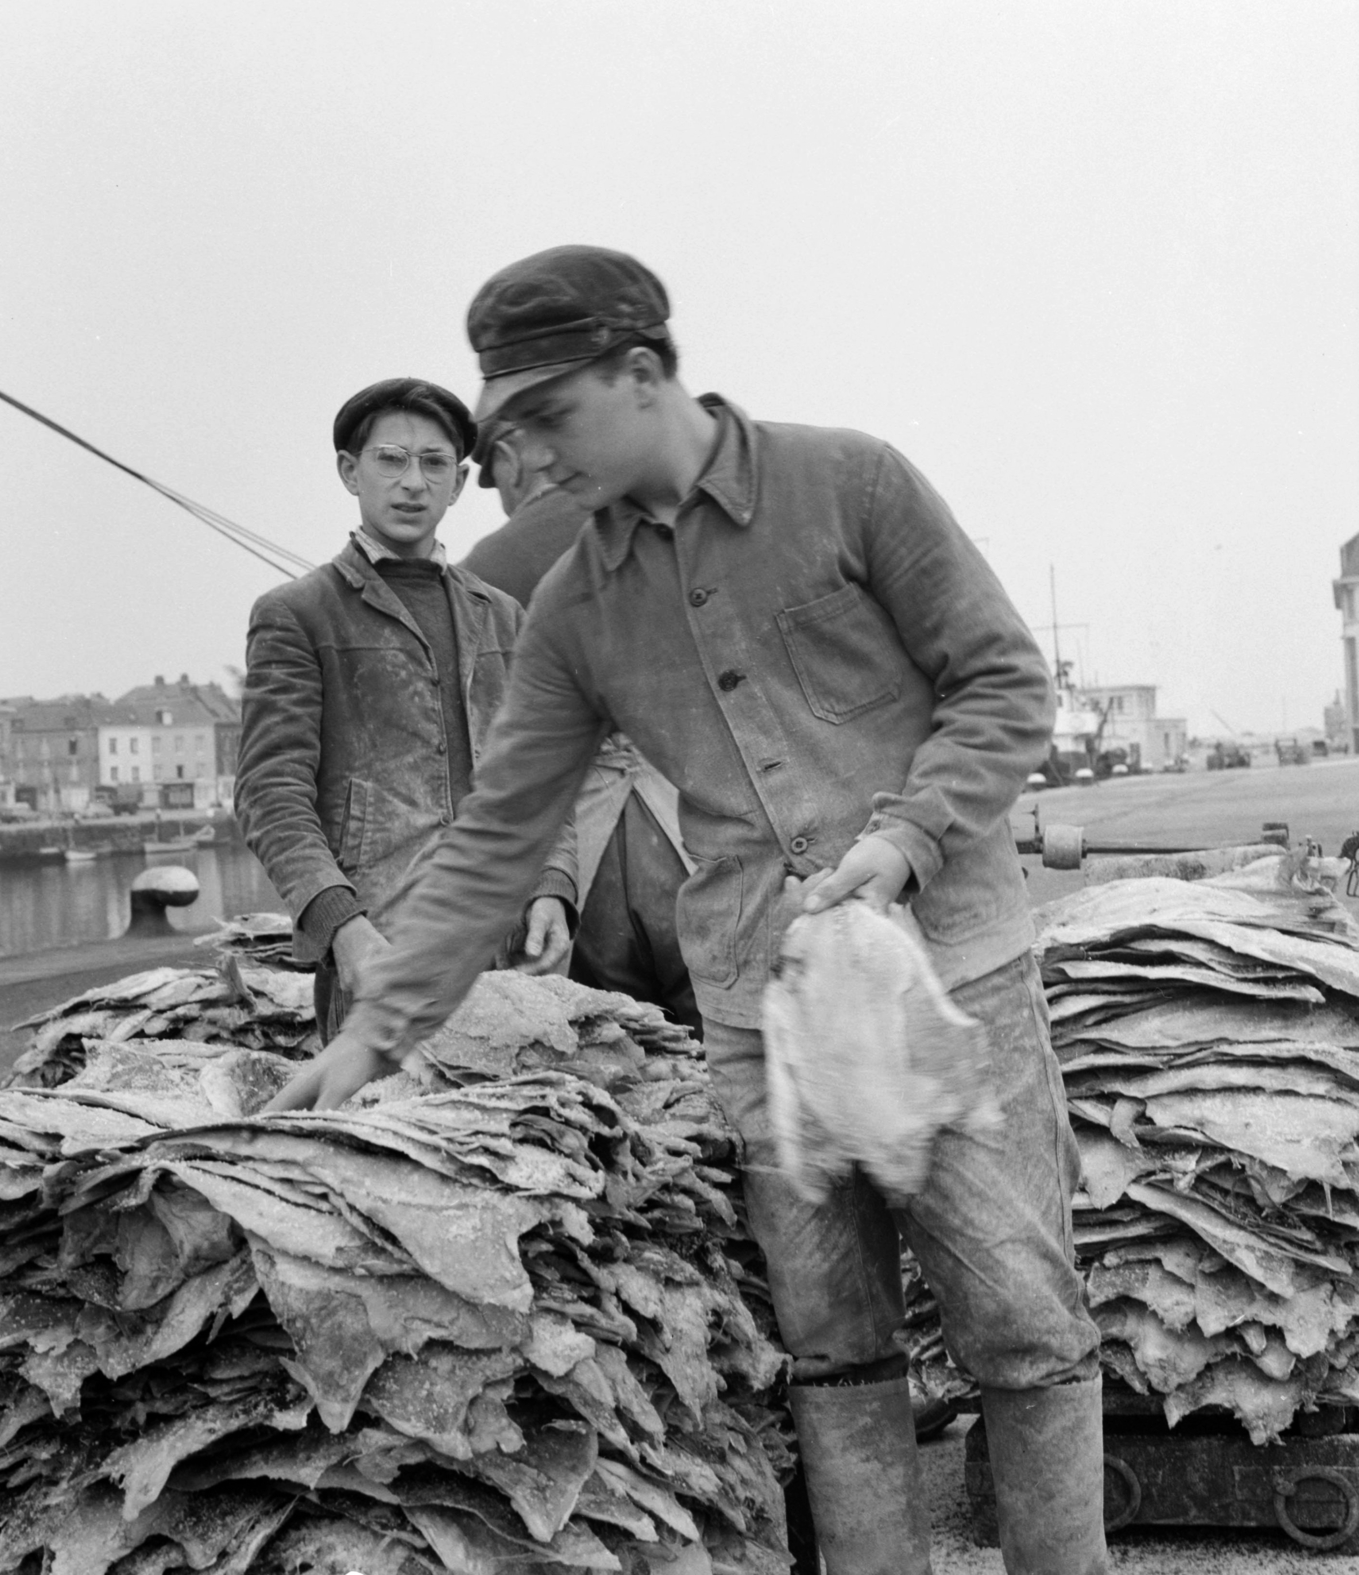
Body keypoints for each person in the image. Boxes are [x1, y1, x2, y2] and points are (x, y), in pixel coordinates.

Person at [269, 251, 1108, 1574]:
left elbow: (1001, 681)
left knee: (1020, 1321)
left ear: (644, 373)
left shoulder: (852, 482)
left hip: (946, 979)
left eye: (551, 418)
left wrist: (904, 838)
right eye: (515, 430)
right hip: (758, 1011)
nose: (529, 456)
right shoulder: (575, 609)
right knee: (832, 1346)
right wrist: (374, 1036)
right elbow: (498, 838)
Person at [234, 376, 576, 1043]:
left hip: (511, 965)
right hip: (379, 963)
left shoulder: (502, 615)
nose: (412, 482)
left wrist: (554, 887)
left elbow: (539, 778)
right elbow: (269, 793)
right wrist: (343, 927)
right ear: (349, 471)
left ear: (457, 482)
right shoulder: (297, 614)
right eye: (390, 459)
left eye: (434, 463)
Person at [462, 423, 701, 1034]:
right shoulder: (657, 525)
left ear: (512, 461)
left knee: (616, 1048)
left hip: (582, 847)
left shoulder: (486, 568)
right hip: (691, 824)